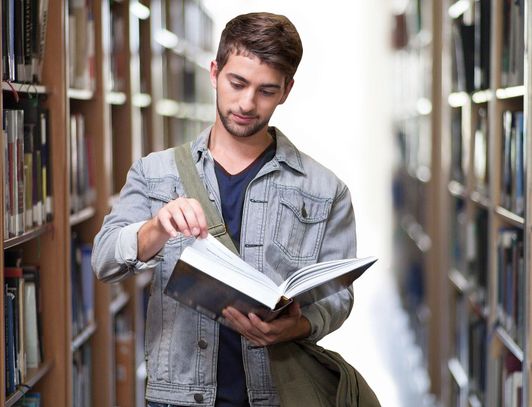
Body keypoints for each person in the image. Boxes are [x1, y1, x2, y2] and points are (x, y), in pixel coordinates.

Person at [92, 12, 357, 407]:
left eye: (267, 90)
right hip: (177, 398)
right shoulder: (155, 173)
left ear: (287, 90)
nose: (247, 103)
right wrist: (156, 228)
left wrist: (297, 326)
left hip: (277, 395)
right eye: (237, 83)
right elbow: (104, 260)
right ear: (214, 72)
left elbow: (339, 298)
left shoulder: (325, 190)